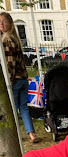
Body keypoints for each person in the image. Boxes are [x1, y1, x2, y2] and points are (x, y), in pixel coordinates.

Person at [0, 12, 38, 143]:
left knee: (13, 109)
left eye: (4, 21)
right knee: (23, 108)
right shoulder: (15, 38)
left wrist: (9, 79)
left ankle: (16, 136)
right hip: (23, 78)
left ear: (10, 23)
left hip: (15, 79)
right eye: (0, 22)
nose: (1, 24)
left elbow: (10, 62)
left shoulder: (7, 39)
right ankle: (31, 133)